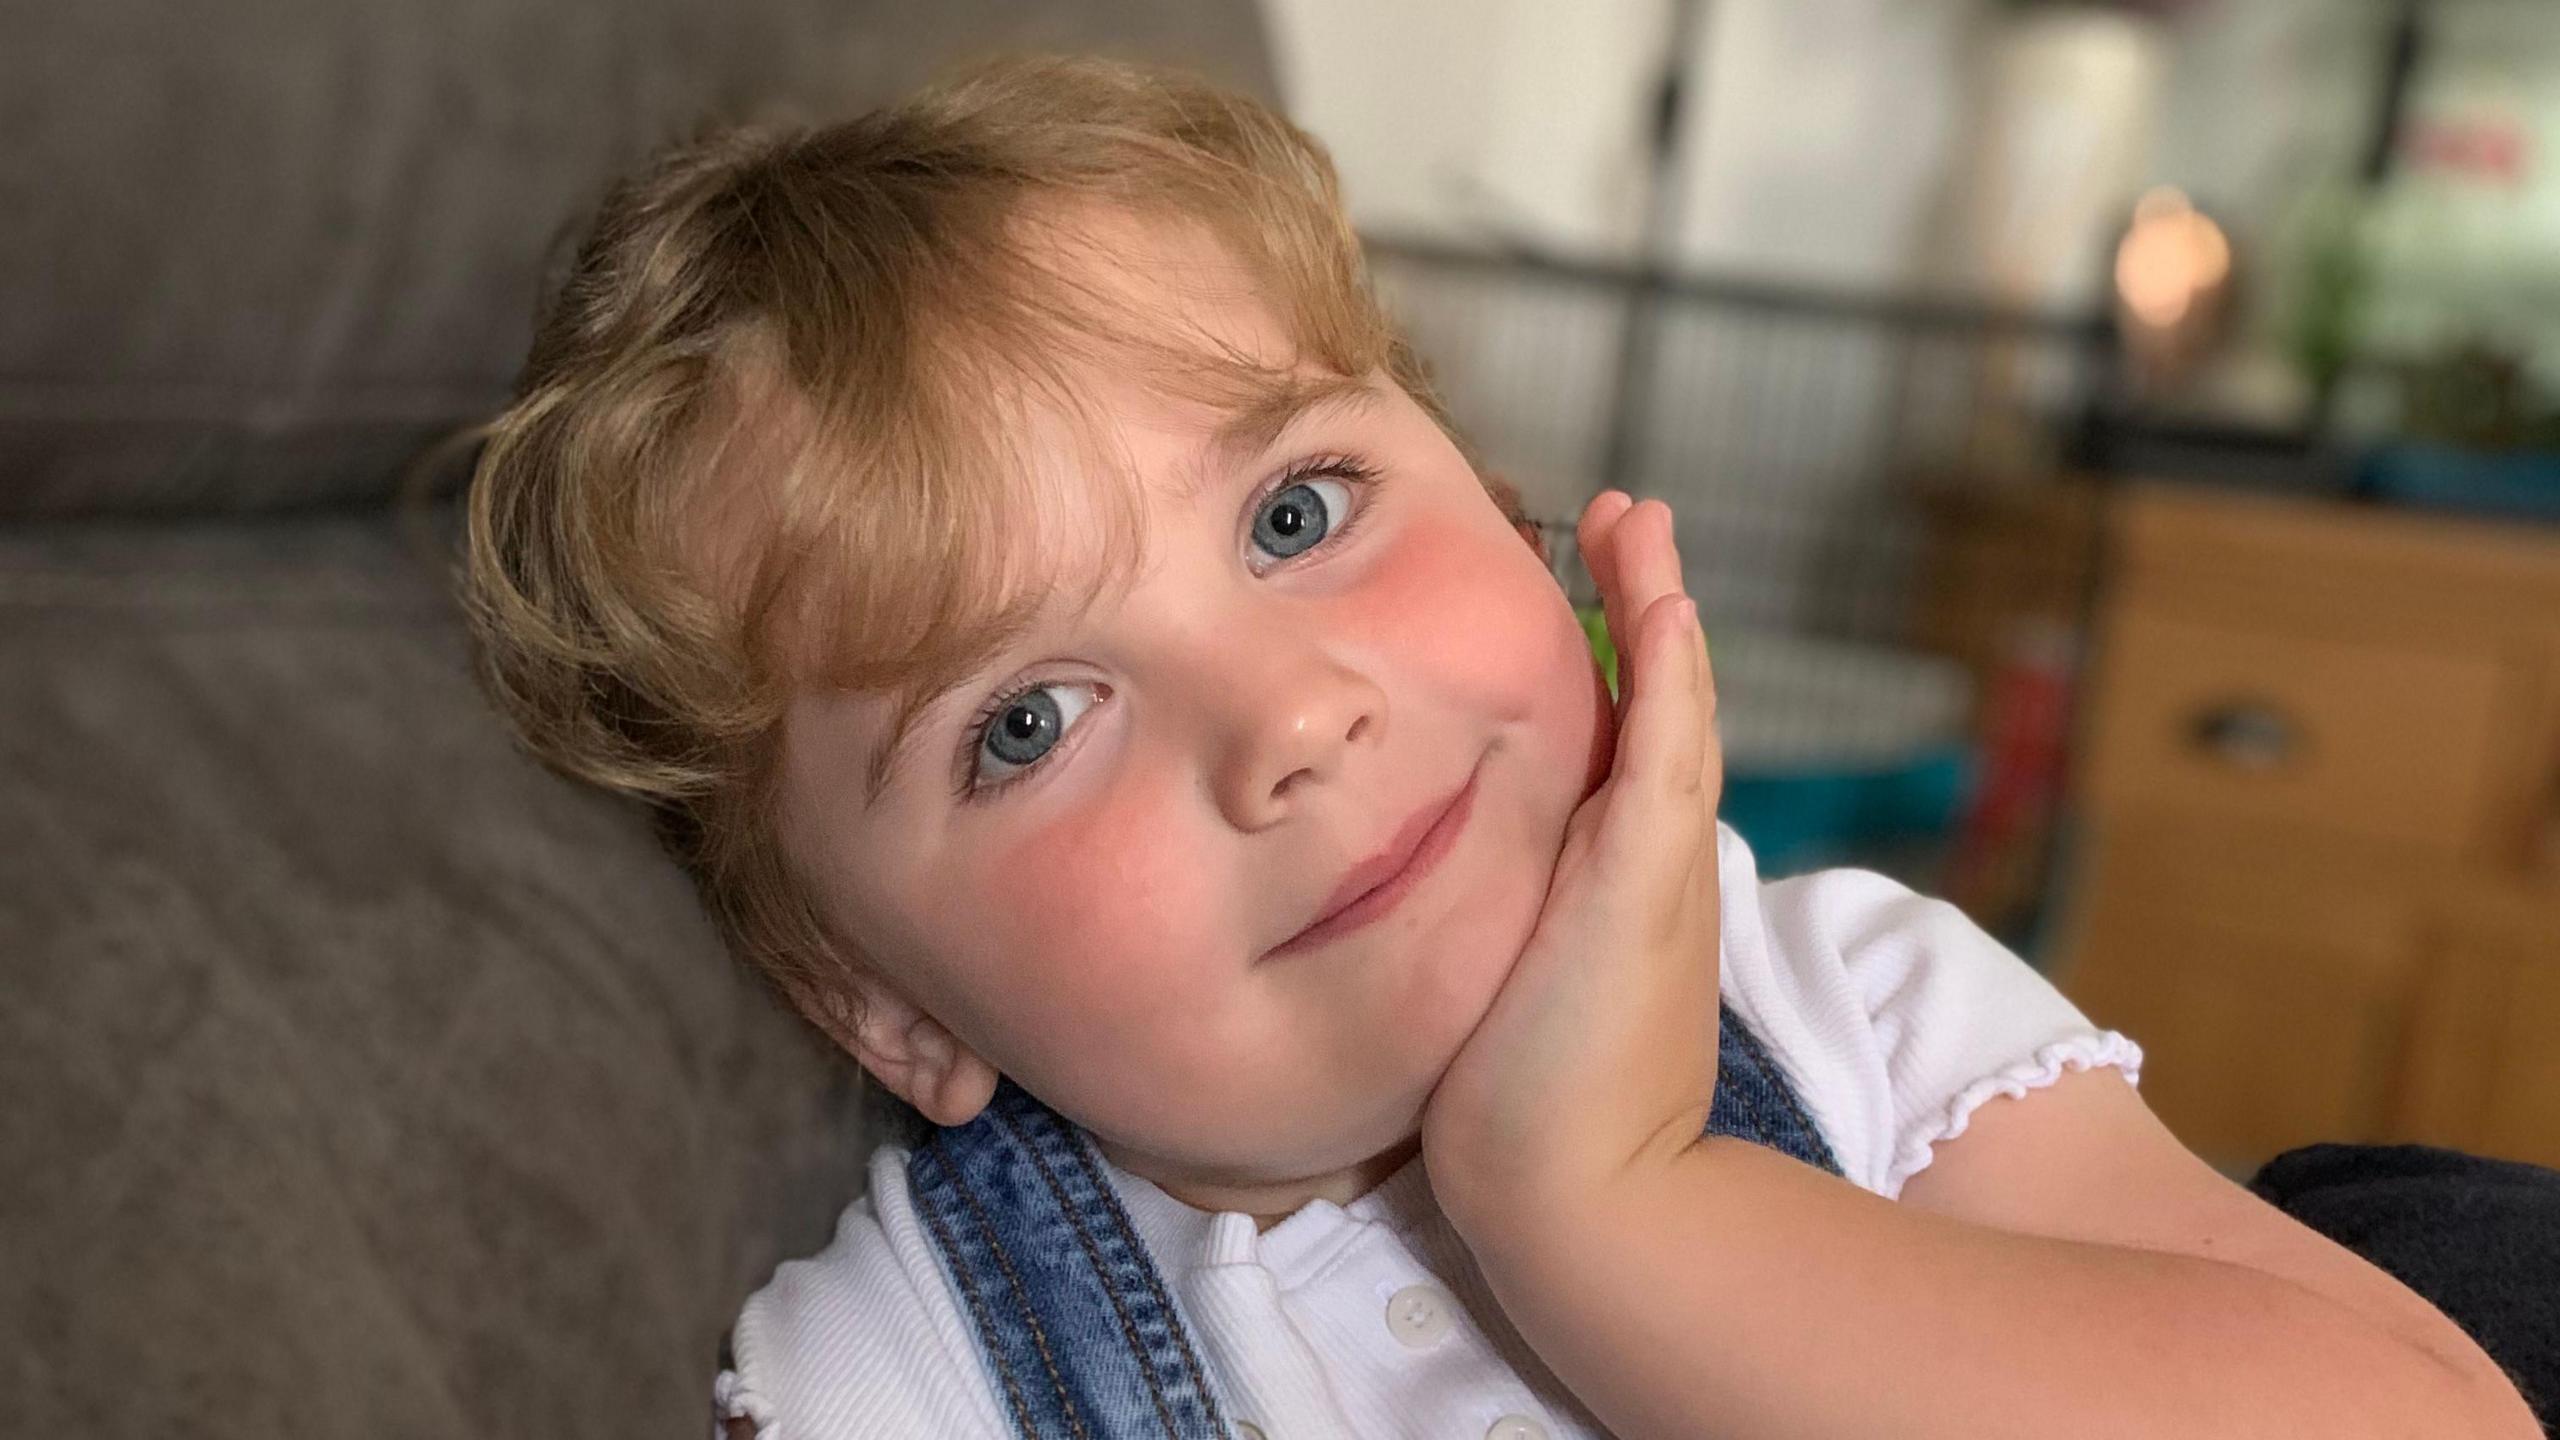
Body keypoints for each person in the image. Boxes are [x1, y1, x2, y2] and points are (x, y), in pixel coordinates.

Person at [459, 54, 2539, 1440]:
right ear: (879, 1001)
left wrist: (1616, 1207)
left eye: (1295, 514)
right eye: (1024, 720)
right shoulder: (899, 1370)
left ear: (1509, 505)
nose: (1286, 718)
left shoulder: (1844, 1010)